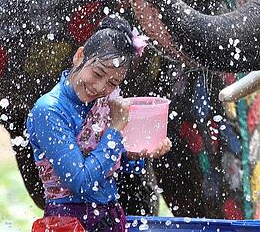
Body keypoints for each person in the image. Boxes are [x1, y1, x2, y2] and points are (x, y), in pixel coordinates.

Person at [27, 15, 171, 231]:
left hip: (109, 218)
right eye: (97, 73)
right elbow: (81, 182)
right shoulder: (49, 110)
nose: (99, 87)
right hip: (69, 222)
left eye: (113, 82)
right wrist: (114, 131)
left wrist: (134, 154)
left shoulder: (105, 101)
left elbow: (107, 167)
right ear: (79, 56)